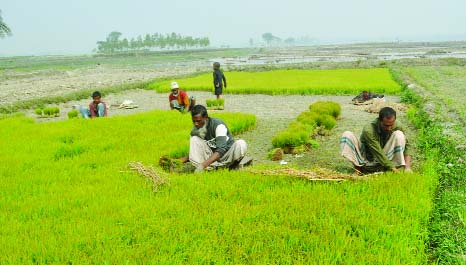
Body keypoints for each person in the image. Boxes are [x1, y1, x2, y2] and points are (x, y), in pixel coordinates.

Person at [340, 107, 412, 174]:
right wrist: (394, 170)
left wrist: (407, 167)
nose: (389, 128)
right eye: (386, 125)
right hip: (367, 157)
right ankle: (358, 168)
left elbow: (407, 145)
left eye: (391, 125)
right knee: (347, 135)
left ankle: (389, 167)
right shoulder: (369, 129)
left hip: (386, 155)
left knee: (399, 135)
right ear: (379, 120)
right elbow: (377, 152)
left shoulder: (398, 126)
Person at [180, 105, 248, 172]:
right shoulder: (195, 131)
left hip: (227, 155)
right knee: (194, 139)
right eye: (194, 121)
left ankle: (232, 167)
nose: (196, 124)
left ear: (206, 118)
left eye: (198, 121)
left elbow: (221, 150)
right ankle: (208, 169)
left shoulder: (218, 125)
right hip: (211, 157)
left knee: (241, 144)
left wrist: (203, 165)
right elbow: (195, 150)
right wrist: (178, 161)